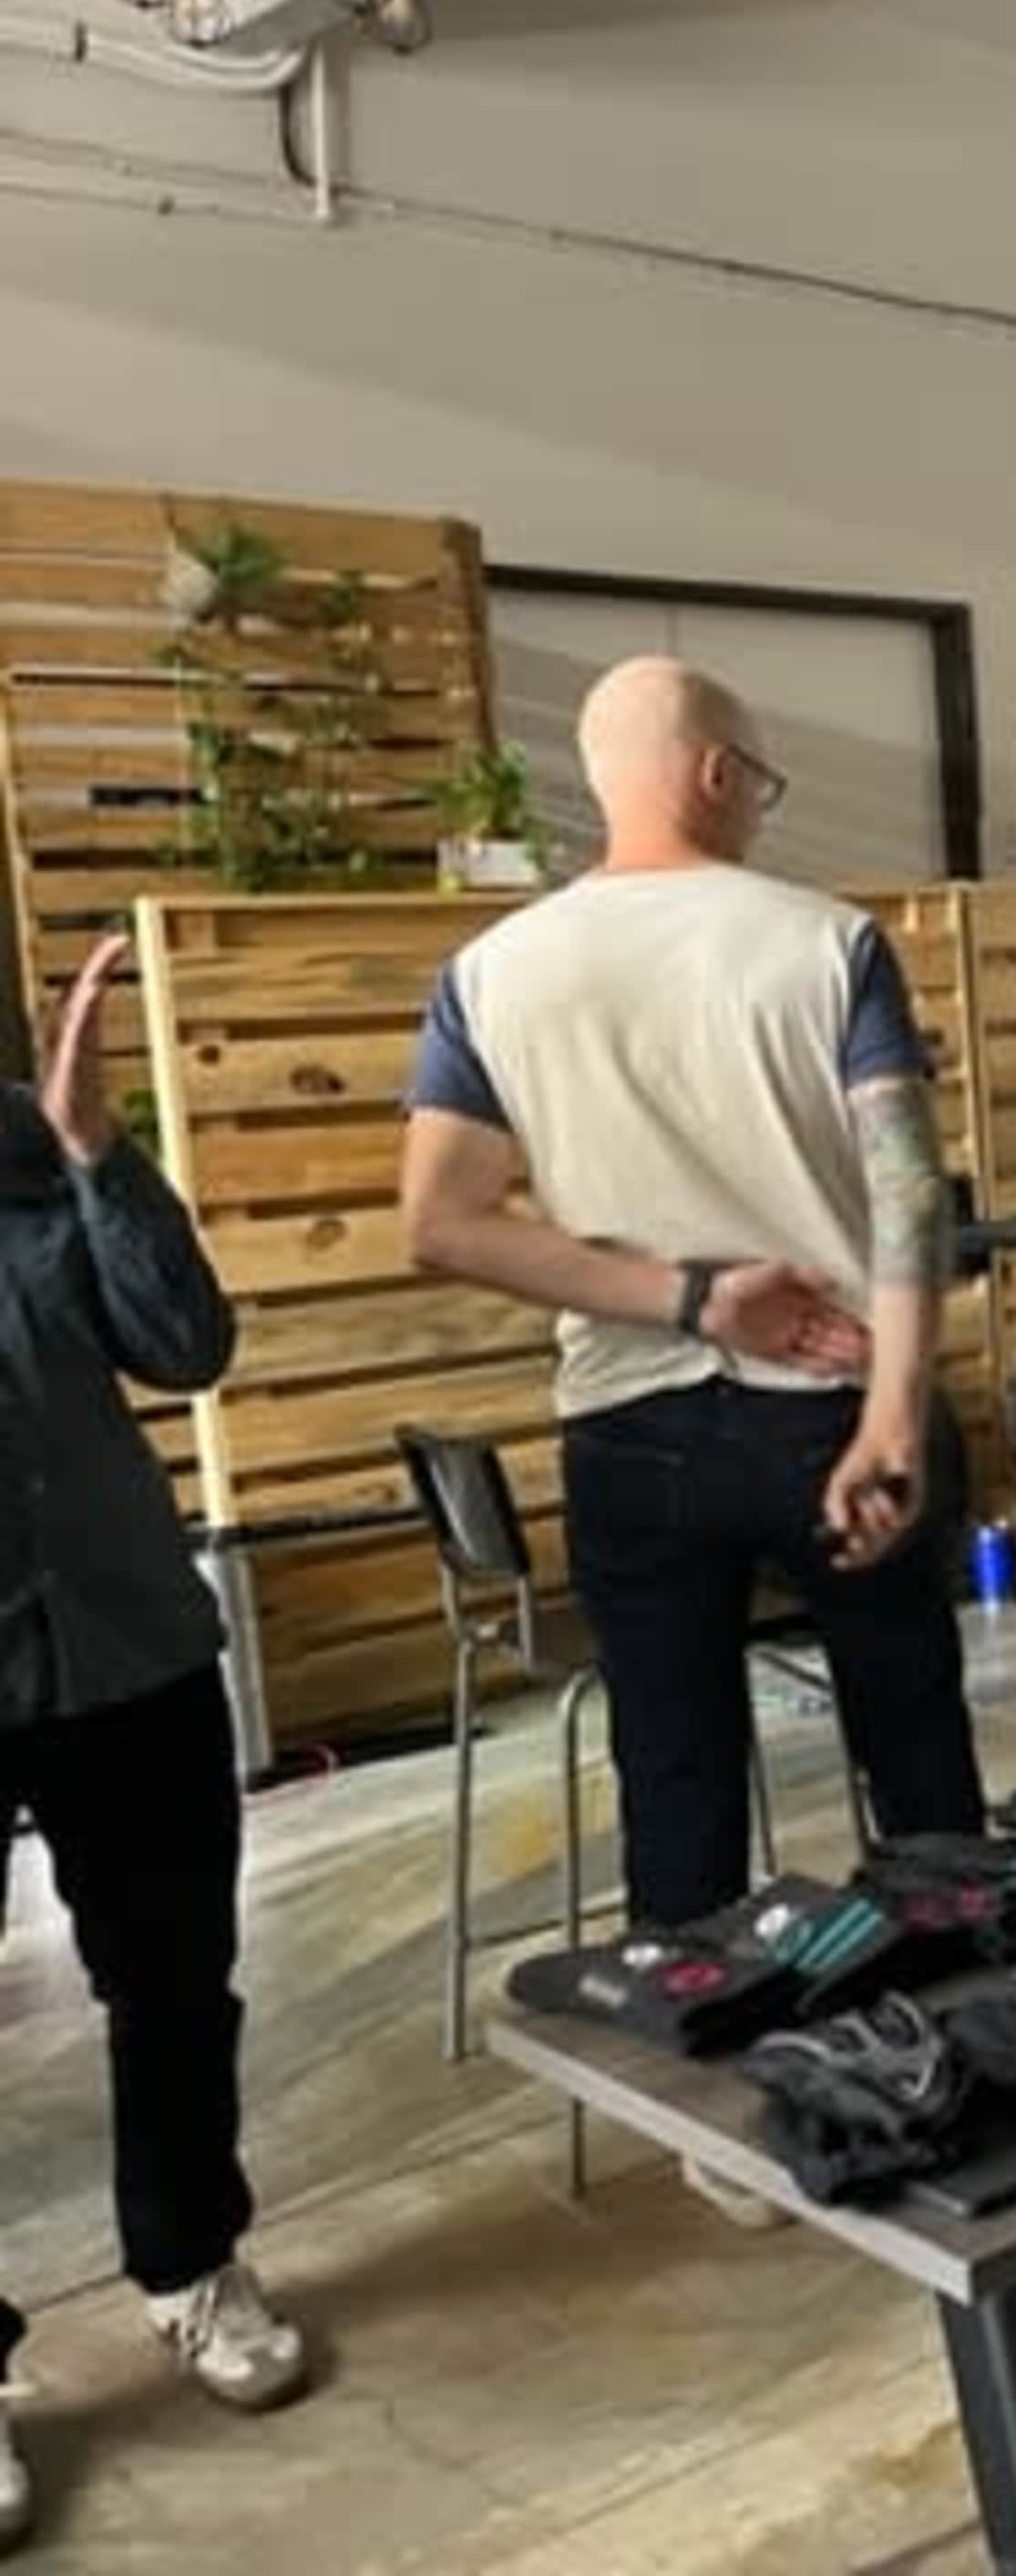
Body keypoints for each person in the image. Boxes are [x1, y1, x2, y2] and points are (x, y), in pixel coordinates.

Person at [399, 657, 988, 1967]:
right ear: (717, 773)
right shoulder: (825, 942)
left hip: (628, 1423)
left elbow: (441, 1221)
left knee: (675, 1779)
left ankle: (701, 2082)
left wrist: (692, 1302)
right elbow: (908, 1189)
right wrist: (896, 1407)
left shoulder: (492, 972)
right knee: (915, 1757)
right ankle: (957, 2039)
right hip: (838, 1410)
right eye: (761, 781)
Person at [3, 937, 312, 2557]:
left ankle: (192, 2264)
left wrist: (92, 1151)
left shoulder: (35, 1161)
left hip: (127, 1651)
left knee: (176, 1986)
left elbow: (188, 1347)